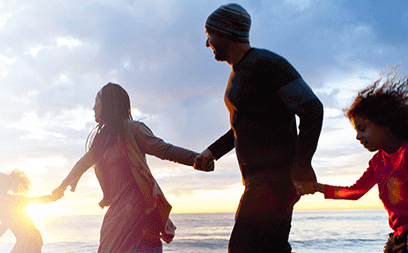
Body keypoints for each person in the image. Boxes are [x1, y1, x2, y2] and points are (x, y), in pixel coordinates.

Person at [194, 3, 324, 252]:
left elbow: (312, 108)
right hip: (260, 184)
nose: (207, 42)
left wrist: (303, 164)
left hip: (273, 184)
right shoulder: (239, 72)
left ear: (226, 32)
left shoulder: (266, 64)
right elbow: (244, 127)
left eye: (210, 34)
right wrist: (213, 151)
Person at [302, 68, 408, 253]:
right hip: (398, 236)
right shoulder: (377, 162)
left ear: (385, 124)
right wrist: (318, 187)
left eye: (362, 128)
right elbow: (355, 192)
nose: (358, 137)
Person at [52, 83, 200, 252]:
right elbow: (82, 164)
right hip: (117, 213)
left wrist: (197, 159)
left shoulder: (133, 130)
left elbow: (164, 150)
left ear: (108, 104)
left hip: (140, 213)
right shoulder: (102, 140)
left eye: (97, 102)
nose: (93, 108)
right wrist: (62, 186)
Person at [0, 169, 59, 253]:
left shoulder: (4, 203)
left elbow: (5, 225)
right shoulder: (15, 199)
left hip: (27, 242)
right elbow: (37, 200)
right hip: (35, 238)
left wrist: (54, 197)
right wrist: (54, 197)